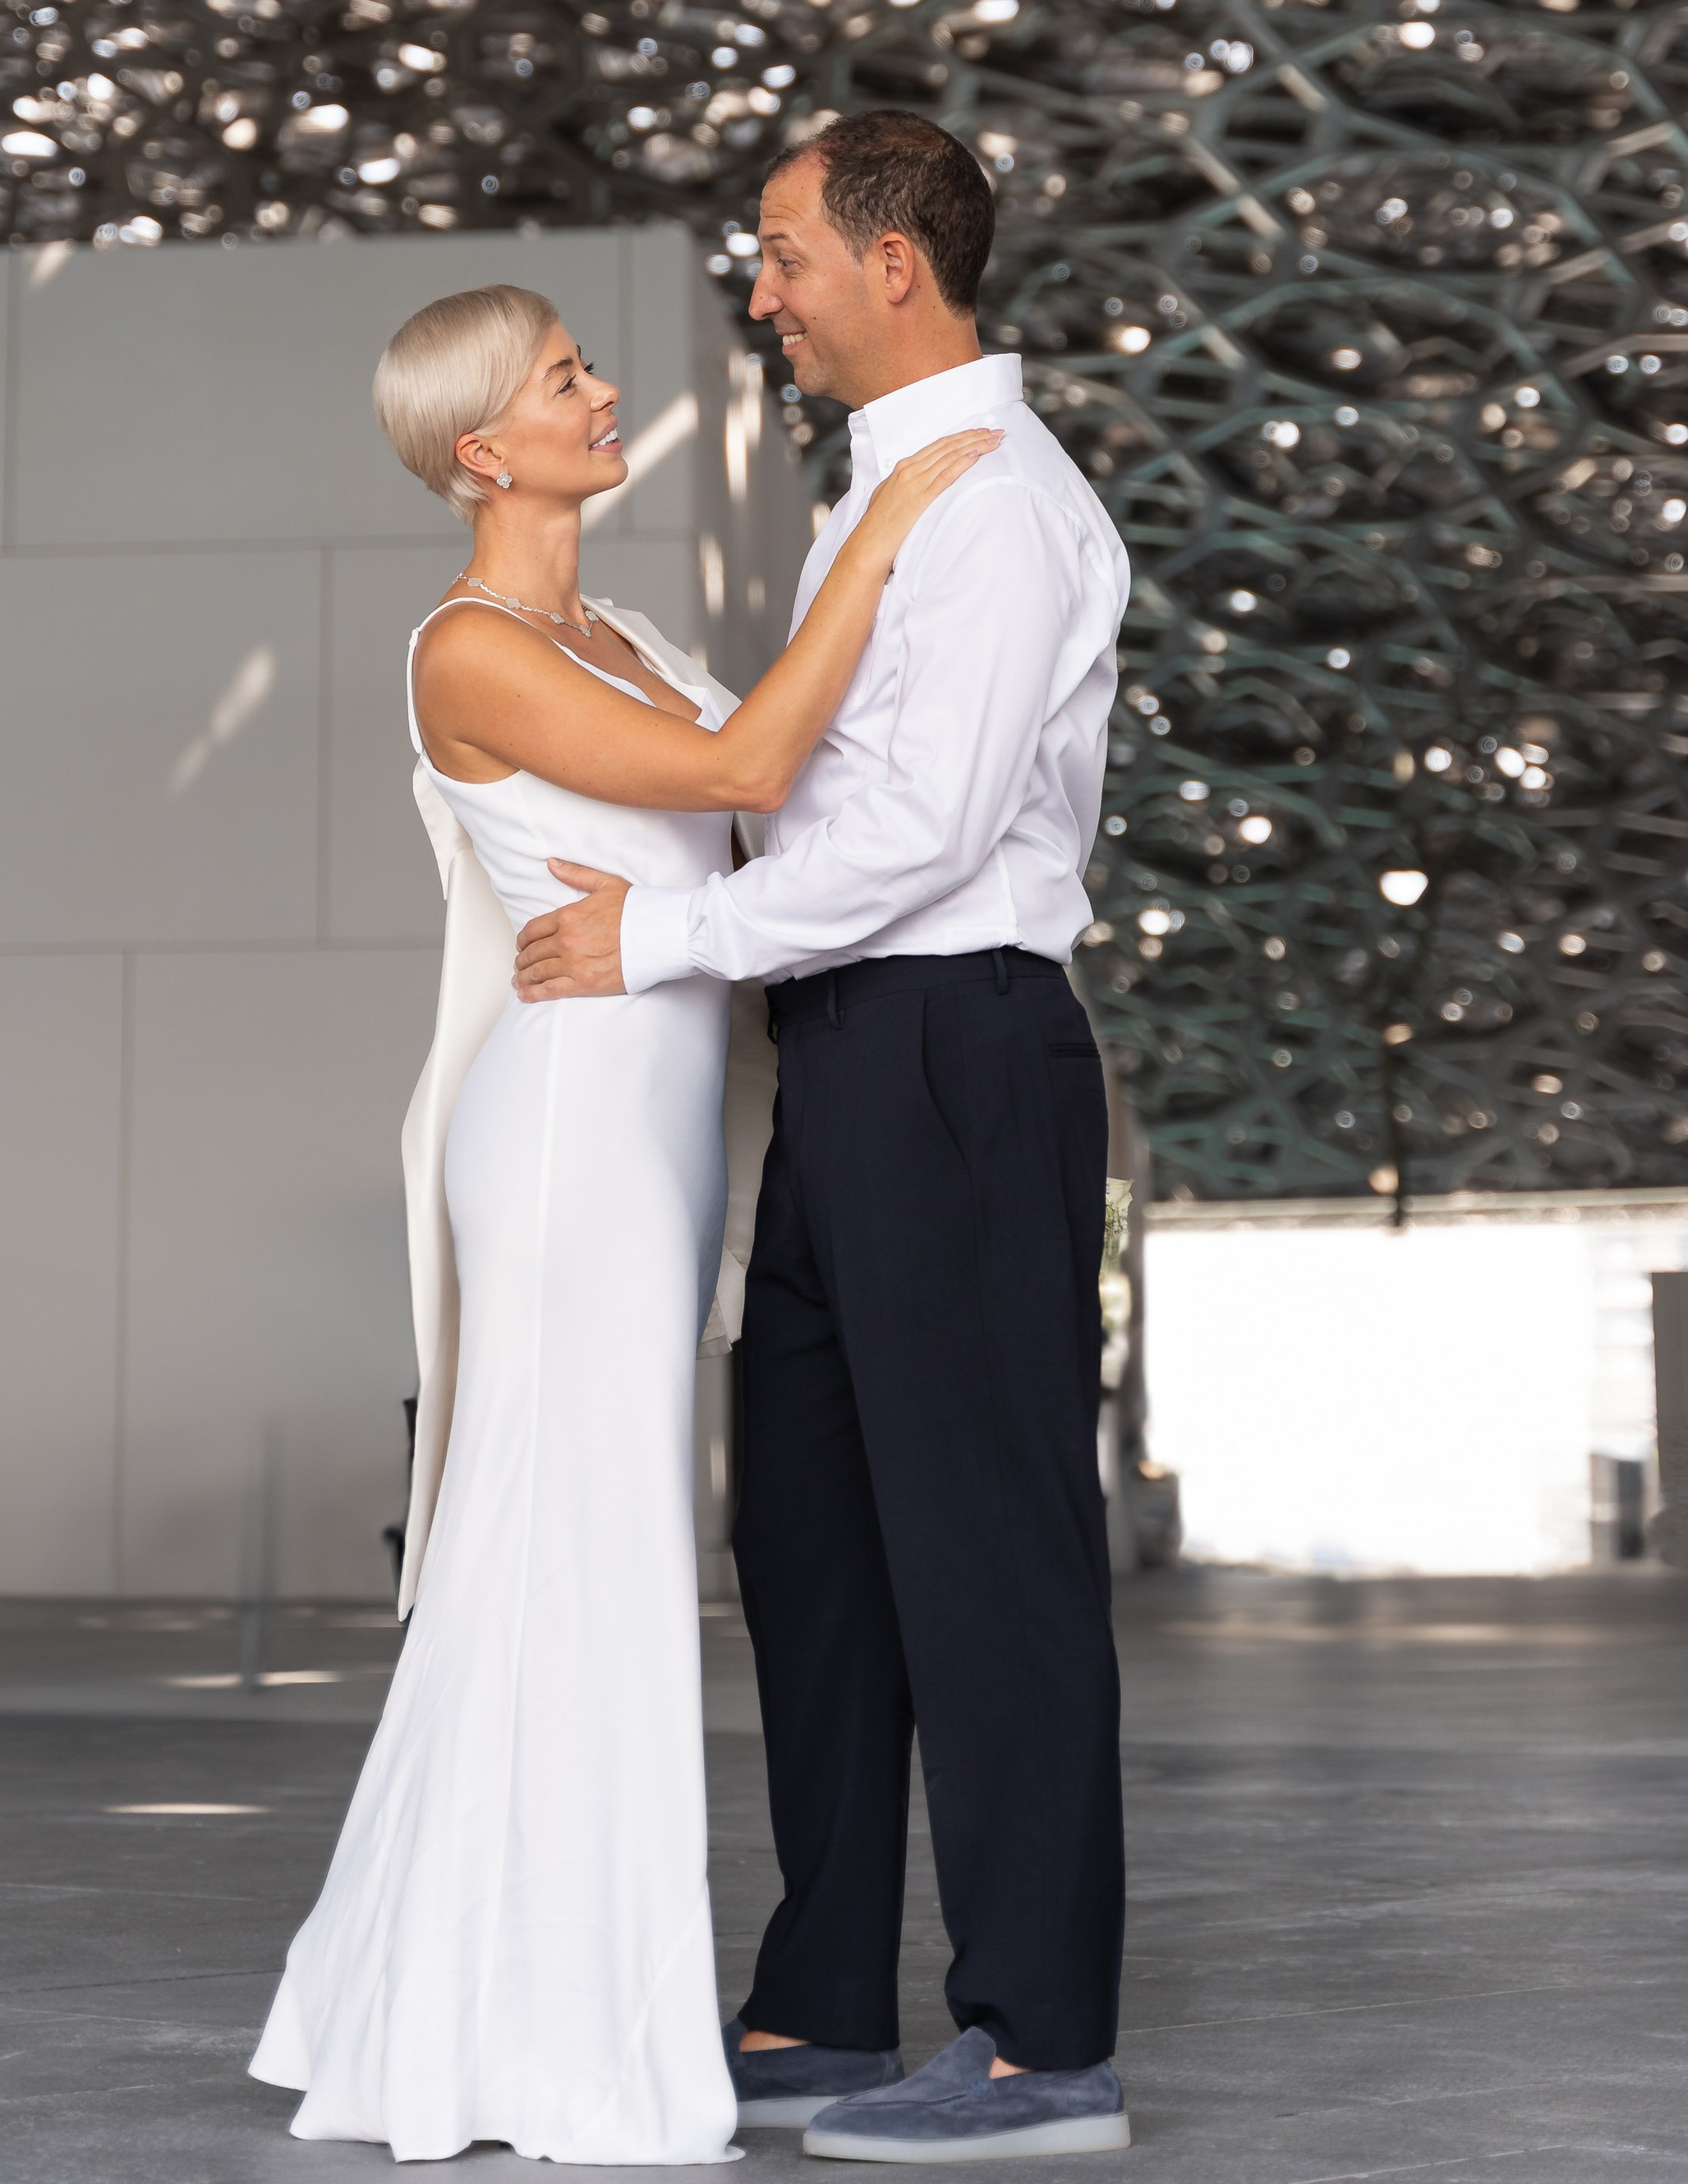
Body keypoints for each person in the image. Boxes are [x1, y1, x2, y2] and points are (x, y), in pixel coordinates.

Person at [249, 278, 995, 2166]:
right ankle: (536, 2032)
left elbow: (781, 818)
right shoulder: (468, 649)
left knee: (587, 1559)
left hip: (655, 1144)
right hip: (568, 1135)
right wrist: (887, 526)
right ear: (480, 449)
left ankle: (478, 2001)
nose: (602, 393)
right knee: (558, 1557)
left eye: (586, 365)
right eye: (563, 379)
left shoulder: (628, 636)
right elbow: (746, 776)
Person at [514, 114, 1134, 2163]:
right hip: (855, 1057)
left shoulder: (995, 503)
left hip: (955, 1042)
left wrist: (656, 939)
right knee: (813, 1538)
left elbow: (924, 834)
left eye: (781, 251)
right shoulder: (884, 488)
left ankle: (1040, 2046)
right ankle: (820, 2002)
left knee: (985, 1550)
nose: (758, 290)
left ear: (893, 263)